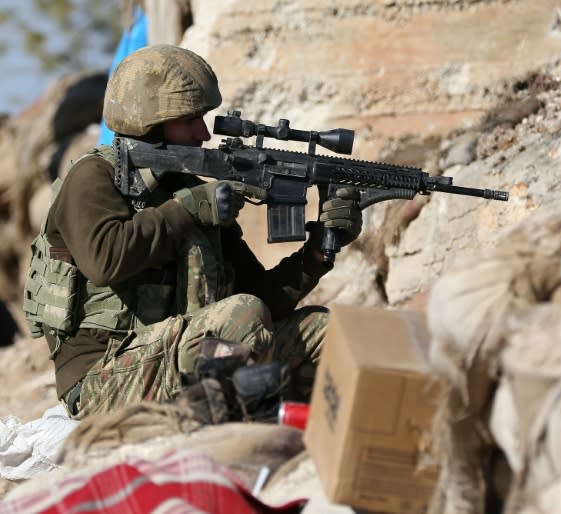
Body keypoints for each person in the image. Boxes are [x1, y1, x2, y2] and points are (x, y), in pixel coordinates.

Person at [22, 44, 363, 422]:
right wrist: (189, 209)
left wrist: (317, 253)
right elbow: (105, 260)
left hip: (180, 355)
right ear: (150, 121)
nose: (203, 133)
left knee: (321, 330)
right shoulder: (94, 177)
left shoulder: (190, 188)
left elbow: (258, 300)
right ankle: (229, 424)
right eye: (190, 120)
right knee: (241, 315)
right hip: (103, 377)